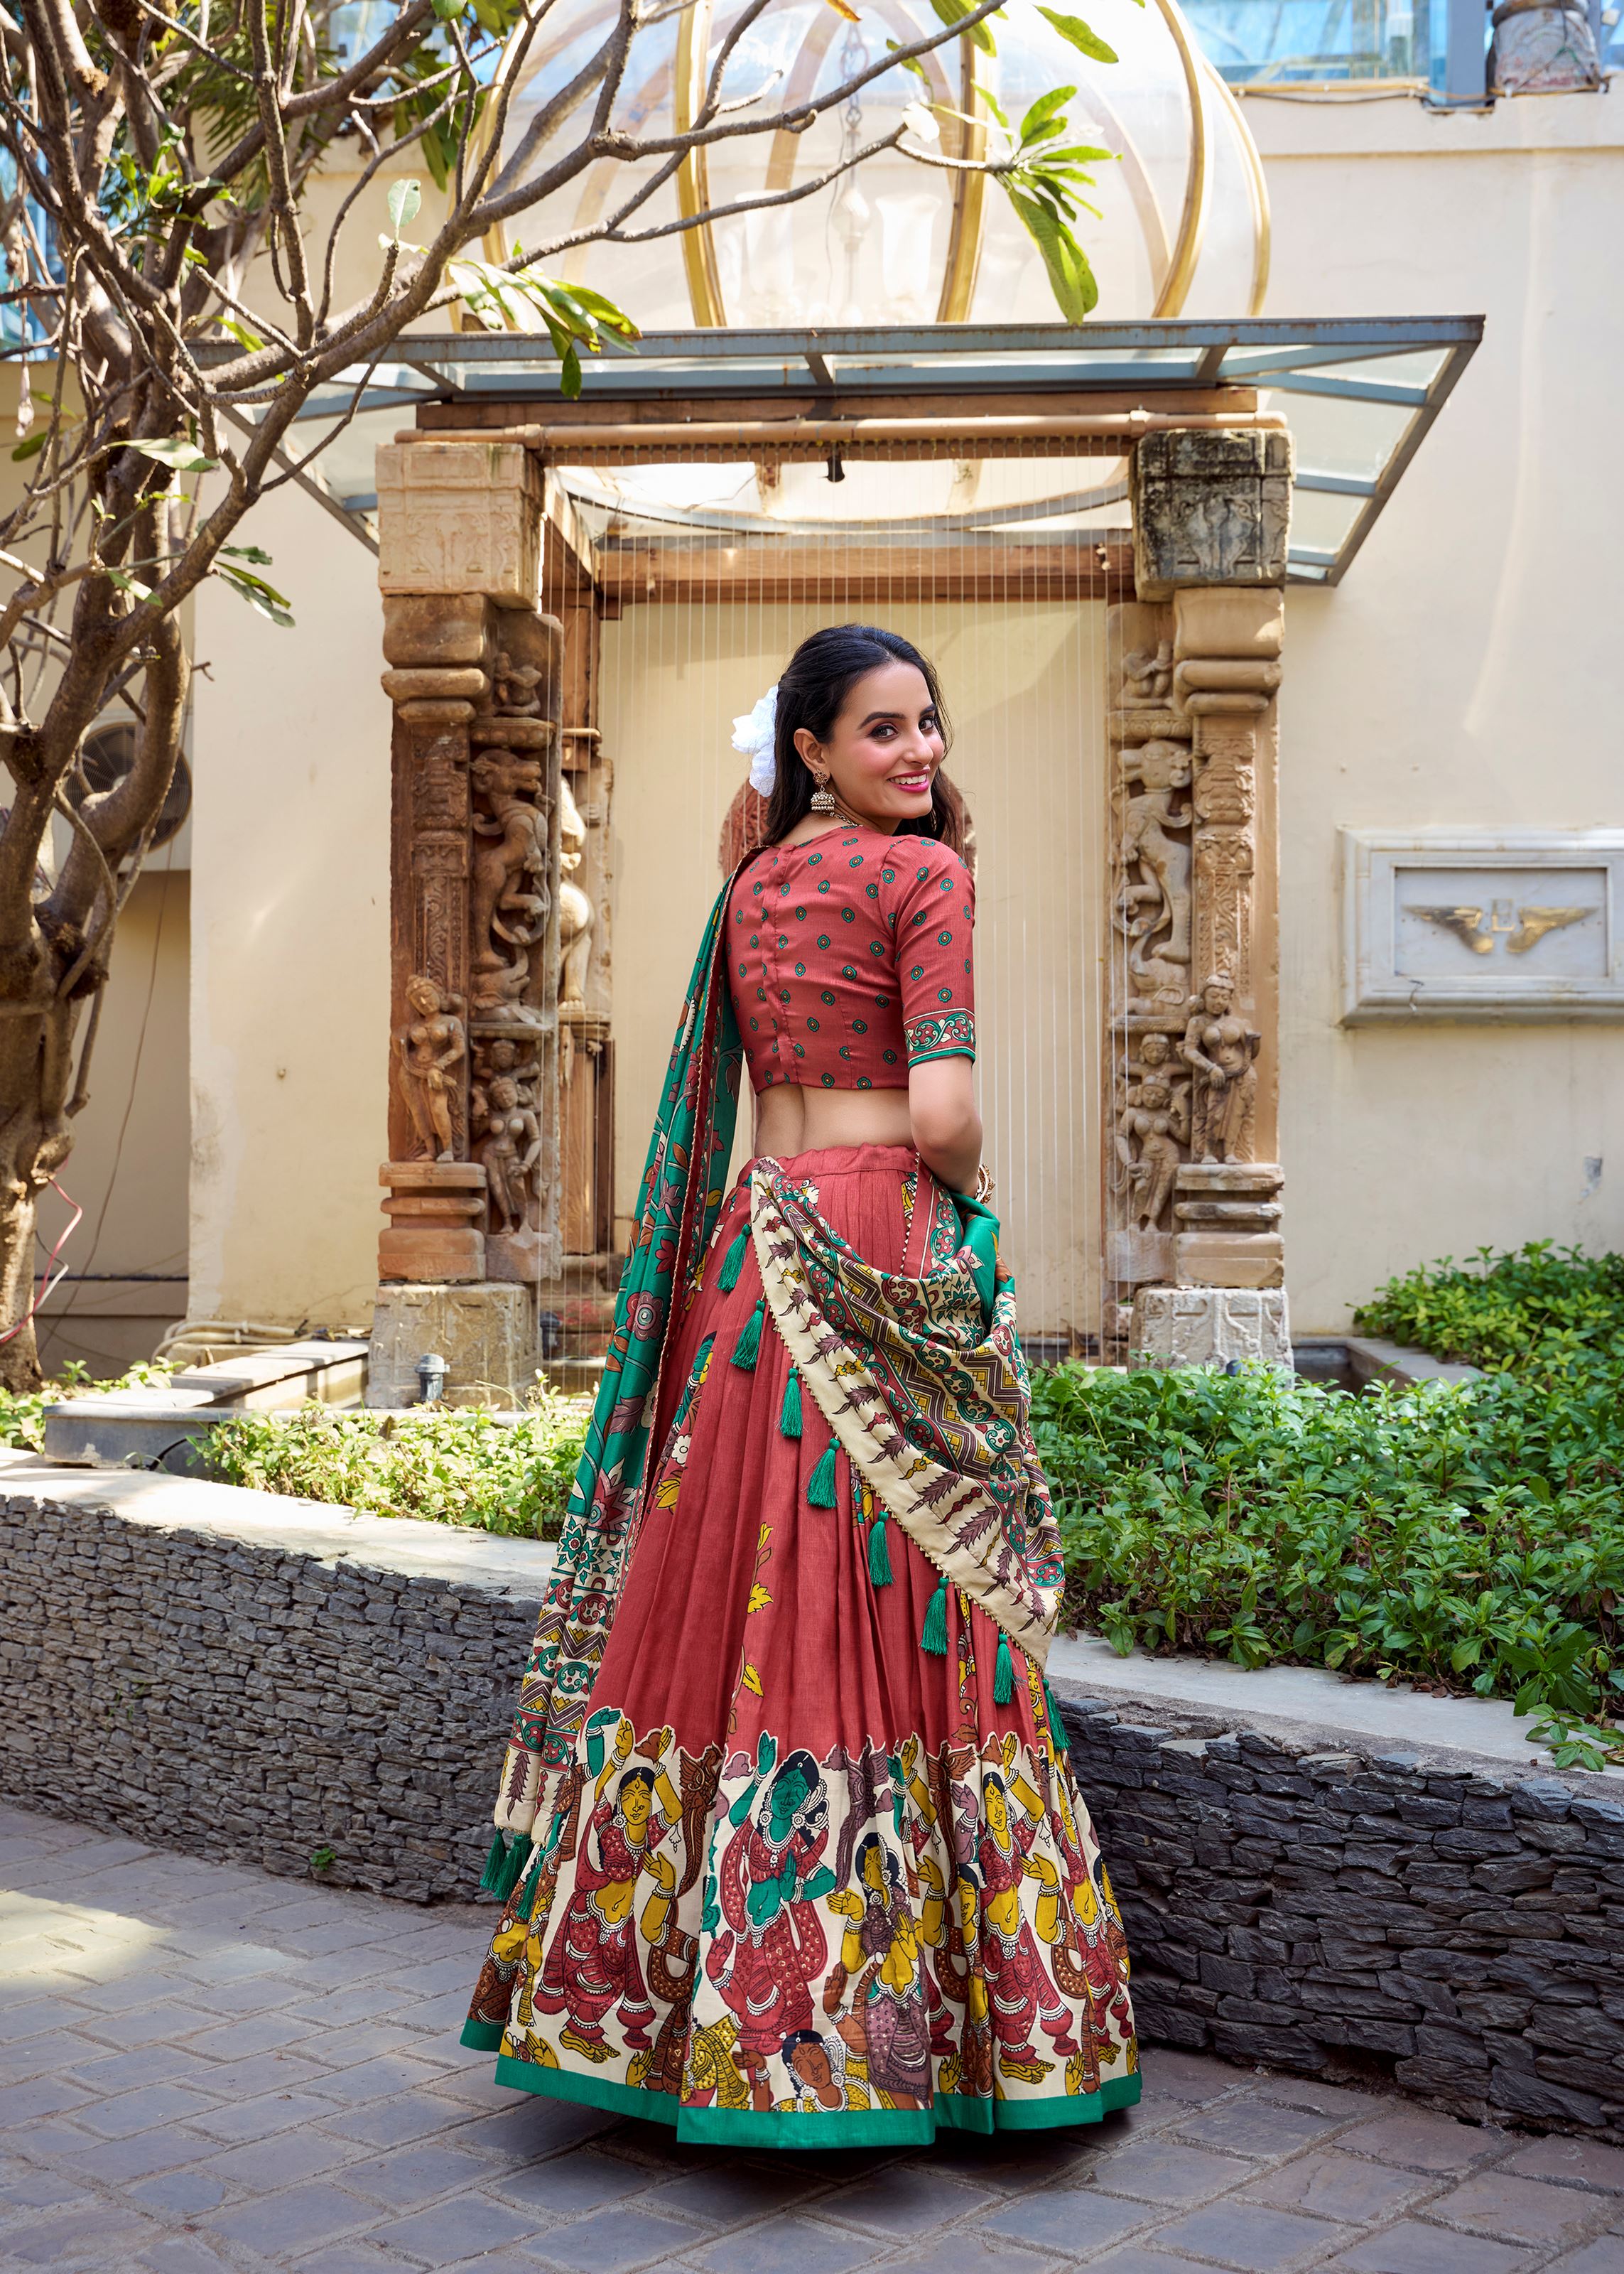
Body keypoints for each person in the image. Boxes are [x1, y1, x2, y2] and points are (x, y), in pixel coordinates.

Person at [462, 625, 1138, 2145]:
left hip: (757, 1248)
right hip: (884, 1226)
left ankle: (662, 2022)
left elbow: (762, 1094)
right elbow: (951, 1111)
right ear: (814, 750)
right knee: (920, 1601)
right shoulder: (929, 880)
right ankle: (944, 2035)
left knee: (726, 1590)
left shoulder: (749, 888)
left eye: (929, 725)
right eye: (883, 730)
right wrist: (965, 1189)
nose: (920, 753)